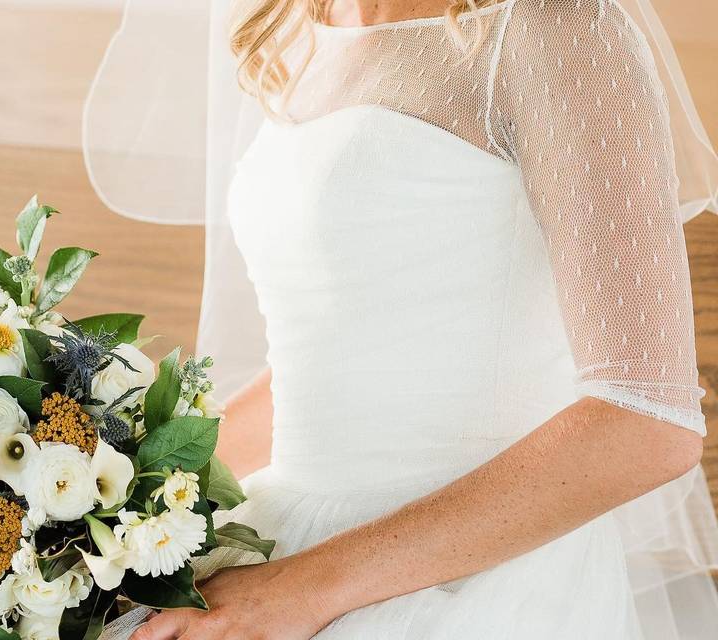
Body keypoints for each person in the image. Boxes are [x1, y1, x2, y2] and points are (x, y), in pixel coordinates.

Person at [85, 1, 718, 637]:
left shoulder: (557, 28)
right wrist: (113, 491)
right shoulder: (299, 32)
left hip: (470, 581)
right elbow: (330, 372)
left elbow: (646, 420)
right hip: (280, 534)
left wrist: (301, 590)